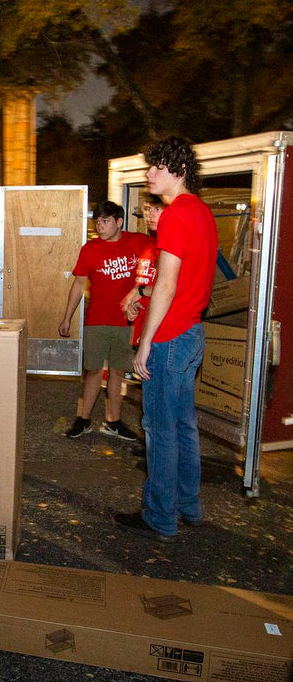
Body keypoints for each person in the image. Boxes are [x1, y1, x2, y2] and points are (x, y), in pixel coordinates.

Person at [114, 137, 218, 543]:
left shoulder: (175, 216)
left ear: (177, 170)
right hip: (193, 333)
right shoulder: (202, 213)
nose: (149, 175)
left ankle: (160, 516)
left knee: (159, 428)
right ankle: (188, 506)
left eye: (156, 167)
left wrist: (145, 343)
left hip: (171, 336)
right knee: (184, 425)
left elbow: (167, 283)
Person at [58, 200, 145, 440]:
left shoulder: (137, 242)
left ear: (119, 222)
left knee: (117, 372)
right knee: (93, 371)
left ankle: (113, 422)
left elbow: (165, 253)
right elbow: (77, 285)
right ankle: (83, 420)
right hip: (97, 320)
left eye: (105, 221)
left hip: (126, 322)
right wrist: (67, 318)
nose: (100, 226)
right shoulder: (90, 249)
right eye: (97, 221)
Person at [120, 194, 165, 343]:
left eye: (157, 209)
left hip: (161, 332)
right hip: (142, 327)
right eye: (147, 209)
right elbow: (145, 283)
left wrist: (139, 290)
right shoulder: (149, 245)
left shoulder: (170, 248)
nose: (150, 215)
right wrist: (133, 305)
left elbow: (170, 291)